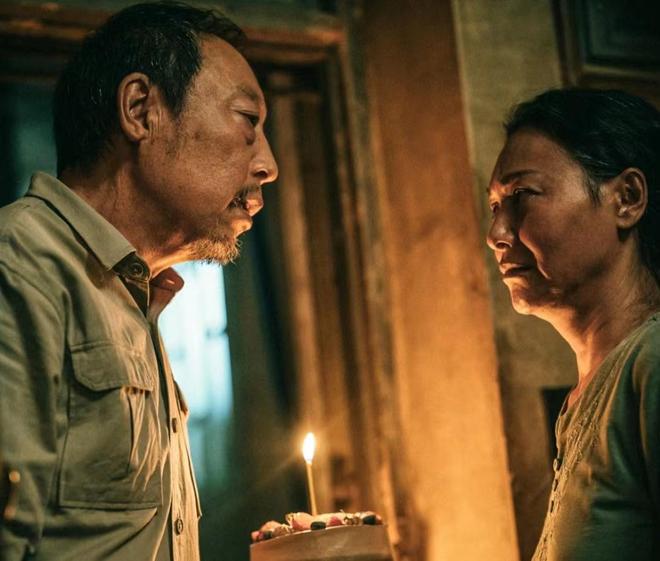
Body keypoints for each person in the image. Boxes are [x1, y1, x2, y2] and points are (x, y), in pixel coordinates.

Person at [0, 2, 277, 560]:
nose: (268, 165)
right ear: (140, 110)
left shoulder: (134, 297)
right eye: (248, 120)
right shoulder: (21, 264)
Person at [487, 88, 660, 560]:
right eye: (495, 207)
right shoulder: (581, 404)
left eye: (522, 195)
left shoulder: (652, 363)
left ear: (626, 199)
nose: (496, 235)